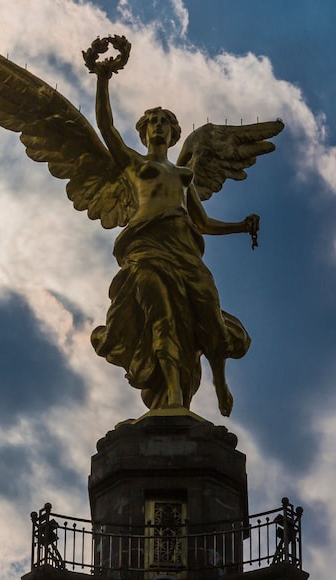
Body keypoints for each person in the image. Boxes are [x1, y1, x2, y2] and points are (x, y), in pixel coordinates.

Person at [87, 68, 258, 416]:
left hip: (184, 250)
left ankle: (220, 383)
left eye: (165, 121)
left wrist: (241, 226)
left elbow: (204, 223)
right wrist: (102, 78)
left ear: (175, 132)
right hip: (146, 249)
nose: (159, 126)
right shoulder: (134, 165)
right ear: (144, 130)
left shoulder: (184, 176)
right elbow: (106, 129)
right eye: (153, 121)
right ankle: (175, 398)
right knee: (162, 316)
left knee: (209, 313)